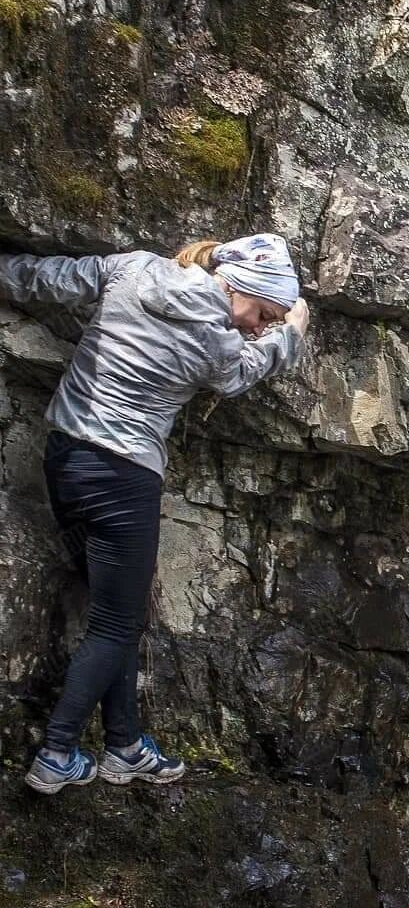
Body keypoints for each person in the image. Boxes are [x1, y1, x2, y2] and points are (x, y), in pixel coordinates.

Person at [0, 233, 310, 794]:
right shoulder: (216, 342)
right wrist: (291, 335)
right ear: (235, 286)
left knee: (118, 611)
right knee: (118, 622)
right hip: (124, 477)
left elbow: (45, 278)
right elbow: (242, 373)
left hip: (66, 455)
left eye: (270, 320)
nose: (259, 326)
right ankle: (56, 754)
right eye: (263, 312)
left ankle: (124, 744)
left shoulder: (133, 270)